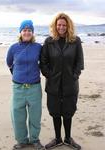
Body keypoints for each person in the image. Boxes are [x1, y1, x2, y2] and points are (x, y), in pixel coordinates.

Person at [40, 13, 84, 150]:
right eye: (59, 25)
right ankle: (58, 139)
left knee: (68, 111)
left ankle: (68, 138)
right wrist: (49, 75)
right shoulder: (49, 42)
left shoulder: (75, 41)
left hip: (70, 84)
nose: (61, 27)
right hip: (53, 84)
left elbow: (80, 62)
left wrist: (74, 75)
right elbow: (43, 62)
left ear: (68, 26)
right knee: (55, 111)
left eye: (64, 25)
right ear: (55, 26)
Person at [6, 20, 45, 150]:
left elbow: (44, 62)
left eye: (29, 30)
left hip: (34, 87)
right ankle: (22, 141)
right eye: (24, 30)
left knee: (35, 116)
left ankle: (34, 140)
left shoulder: (38, 47)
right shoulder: (13, 48)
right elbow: (9, 63)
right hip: (18, 88)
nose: (27, 32)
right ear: (20, 32)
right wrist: (18, 76)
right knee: (18, 116)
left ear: (32, 33)